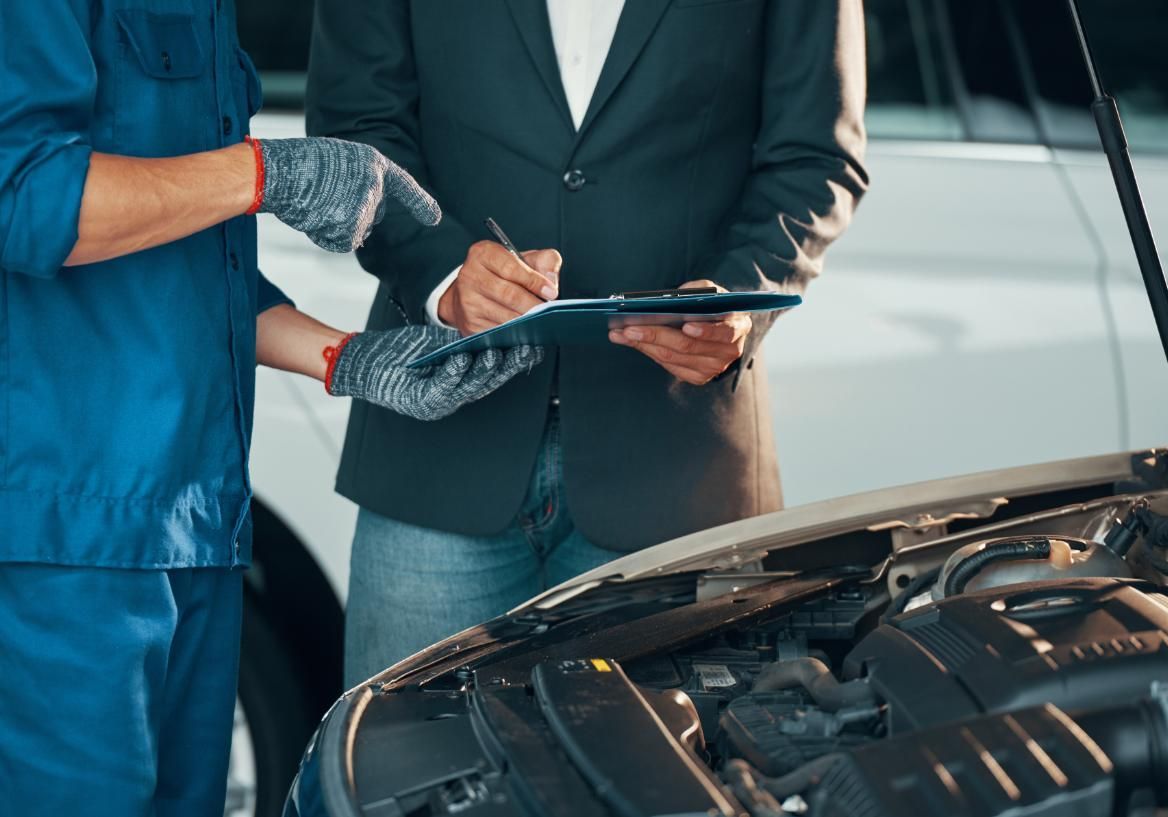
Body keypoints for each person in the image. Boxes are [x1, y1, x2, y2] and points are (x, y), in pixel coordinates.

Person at [0, 2, 537, 814]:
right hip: (64, 539)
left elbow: (183, 265)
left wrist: (347, 359)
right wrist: (266, 174)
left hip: (195, 525)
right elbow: (24, 191)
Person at [308, 0, 870, 685]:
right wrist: (444, 278)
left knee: (664, 756)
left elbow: (817, 155)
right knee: (401, 751)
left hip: (676, 465)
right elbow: (356, 127)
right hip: (436, 453)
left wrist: (739, 299)